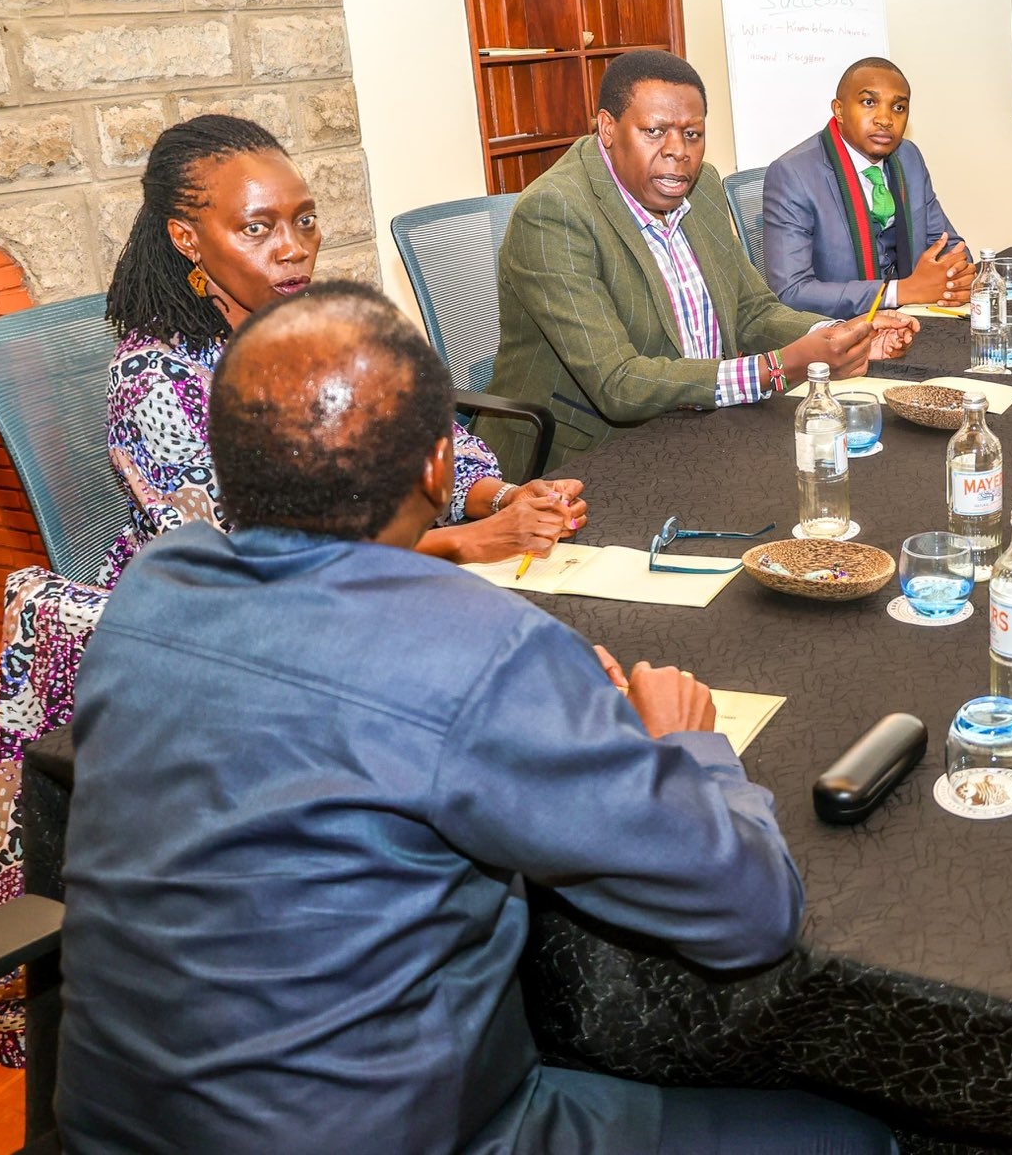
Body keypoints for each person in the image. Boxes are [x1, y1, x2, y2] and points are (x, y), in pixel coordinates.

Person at [58, 282, 896, 1154]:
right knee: (850, 1139)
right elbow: (751, 914)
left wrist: (540, 702)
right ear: (438, 468)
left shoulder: (153, 588)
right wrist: (690, 745)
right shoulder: (480, 646)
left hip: (118, 1131)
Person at [0, 114, 583, 1068]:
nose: (294, 248)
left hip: (343, 597)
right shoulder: (155, 384)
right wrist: (460, 544)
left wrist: (501, 496)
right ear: (188, 239)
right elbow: (257, 571)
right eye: (258, 228)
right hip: (211, 642)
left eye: (303, 220)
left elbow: (430, 433)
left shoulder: (310, 327)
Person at [485, 50, 921, 472]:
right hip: (587, 458)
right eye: (654, 131)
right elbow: (618, 383)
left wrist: (839, 335)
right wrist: (778, 367)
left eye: (692, 134)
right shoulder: (555, 211)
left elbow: (751, 310)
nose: (679, 151)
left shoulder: (701, 185)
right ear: (608, 128)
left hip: (704, 425)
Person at [762, 56, 973, 316]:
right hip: (840, 326)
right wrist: (901, 291)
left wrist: (955, 278)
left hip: (909, 317)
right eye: (869, 103)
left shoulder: (908, 157)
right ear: (839, 110)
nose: (885, 119)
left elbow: (948, 244)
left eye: (898, 107)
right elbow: (791, 291)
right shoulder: (793, 174)